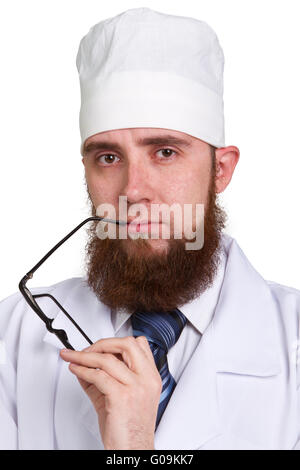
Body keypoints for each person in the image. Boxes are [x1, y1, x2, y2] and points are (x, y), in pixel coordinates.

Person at [0, 7, 300, 450]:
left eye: (164, 152)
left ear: (220, 170)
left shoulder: (291, 340)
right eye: (108, 157)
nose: (133, 191)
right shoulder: (13, 336)